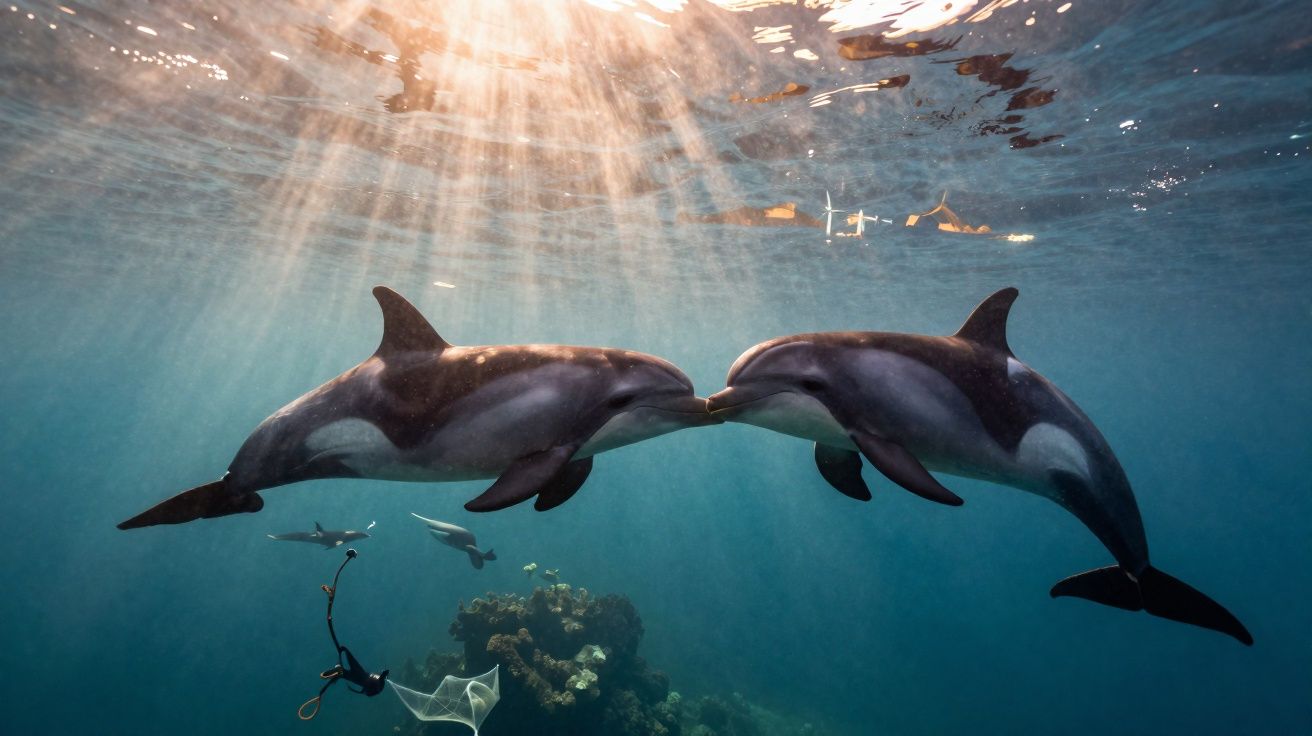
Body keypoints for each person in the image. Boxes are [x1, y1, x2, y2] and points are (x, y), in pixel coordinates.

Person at [298, 549, 390, 719]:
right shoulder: (364, 681)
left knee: (344, 653)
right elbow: (365, 679)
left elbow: (365, 679)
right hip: (361, 681)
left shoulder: (364, 681)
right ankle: (338, 673)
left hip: (361, 680)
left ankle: (338, 673)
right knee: (344, 652)